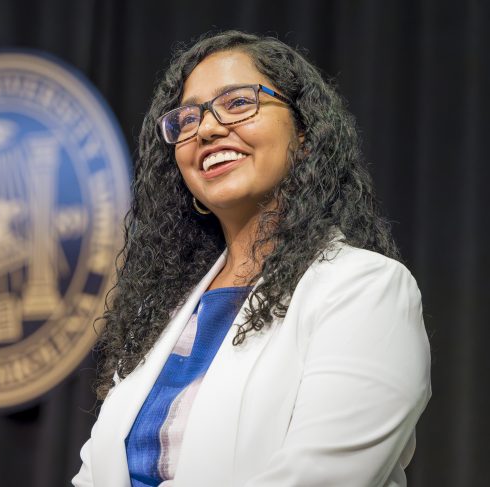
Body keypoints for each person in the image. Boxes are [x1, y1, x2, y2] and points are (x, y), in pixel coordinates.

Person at [72, 30, 431, 487]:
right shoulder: (164, 315)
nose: (206, 128)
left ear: (305, 133)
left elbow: (320, 477)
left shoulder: (366, 288)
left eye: (238, 103)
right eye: (186, 119)